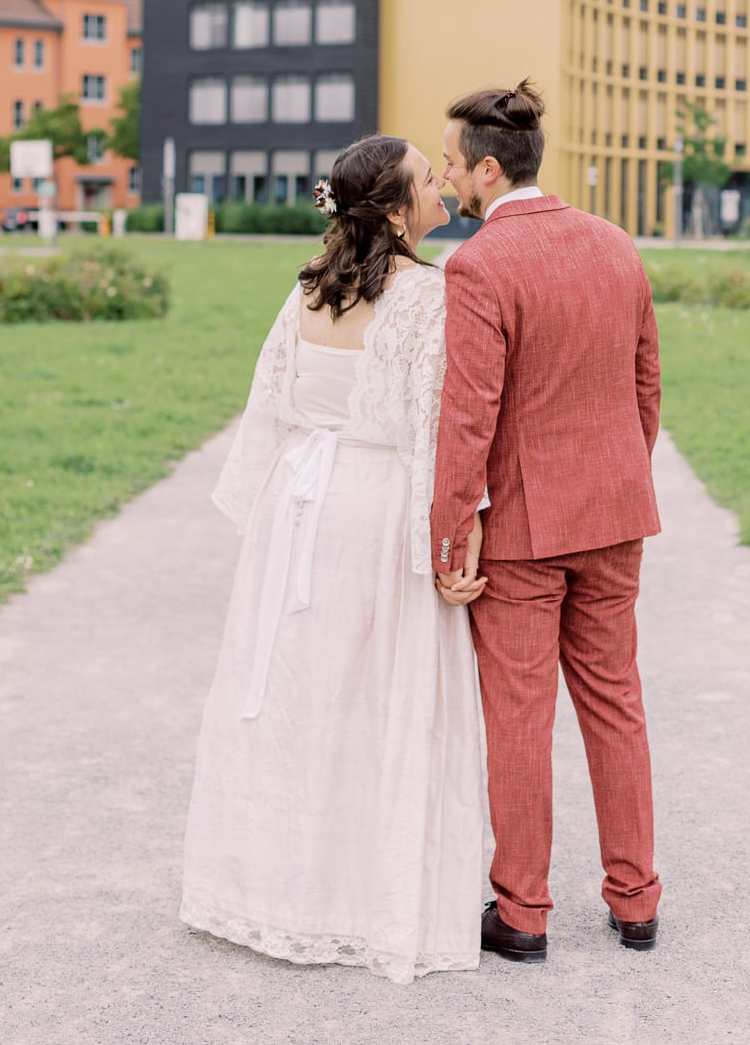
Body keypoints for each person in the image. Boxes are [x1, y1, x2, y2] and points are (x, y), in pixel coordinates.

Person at [181, 135, 487, 985]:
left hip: (298, 503)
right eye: (428, 178)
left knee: (298, 691)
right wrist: (453, 536)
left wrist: (271, 506)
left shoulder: (308, 289)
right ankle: (366, 894)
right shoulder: (426, 296)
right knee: (379, 693)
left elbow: (270, 405)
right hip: (373, 503)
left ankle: (278, 884)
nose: (441, 185)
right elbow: (436, 426)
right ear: (395, 209)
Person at [432, 80, 663, 964]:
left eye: (452, 162)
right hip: (614, 517)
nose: (447, 177)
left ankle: (523, 911)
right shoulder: (615, 243)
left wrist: (453, 538)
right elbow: (646, 386)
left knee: (522, 717)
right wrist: (616, 478)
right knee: (617, 703)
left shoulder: (479, 266)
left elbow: (469, 418)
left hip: (524, 532)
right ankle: (636, 900)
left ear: (489, 170)